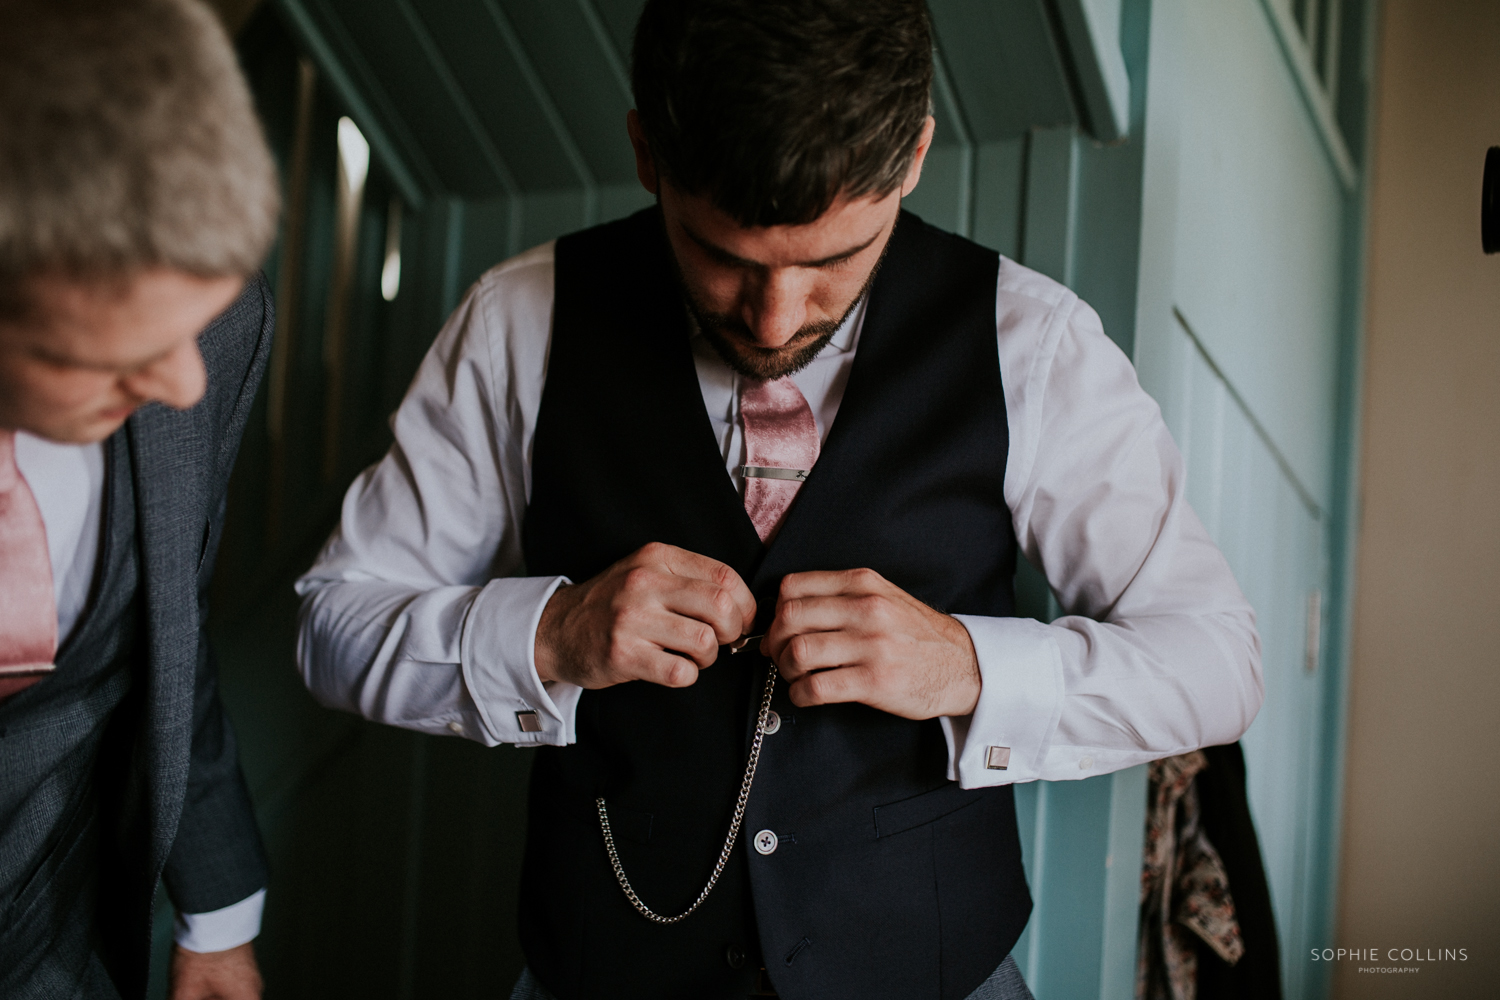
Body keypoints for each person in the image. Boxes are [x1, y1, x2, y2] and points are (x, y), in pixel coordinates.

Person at [296, 1, 1263, 997]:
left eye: (832, 261)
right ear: (646, 151)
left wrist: (970, 666)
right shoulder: (521, 321)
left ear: (916, 153)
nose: (773, 316)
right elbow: (333, 623)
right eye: (722, 256)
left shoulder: (1036, 343)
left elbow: (1218, 660)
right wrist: (552, 634)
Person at [0, 0, 279, 997]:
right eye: (110, 357)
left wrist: (218, 918)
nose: (182, 386)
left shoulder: (214, 329)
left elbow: (169, 630)